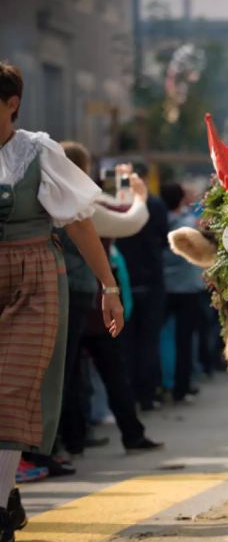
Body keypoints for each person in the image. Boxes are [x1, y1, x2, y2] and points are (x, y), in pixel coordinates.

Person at [0, 61, 125, 542]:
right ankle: (8, 493)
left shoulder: (39, 151)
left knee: (11, 393)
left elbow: (79, 223)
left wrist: (109, 285)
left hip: (35, 278)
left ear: (12, 104)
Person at [56, 143, 163, 456]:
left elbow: (109, 205)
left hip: (76, 296)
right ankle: (127, 433)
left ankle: (74, 439)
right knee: (105, 370)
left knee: (73, 371)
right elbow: (125, 219)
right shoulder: (74, 202)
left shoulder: (54, 194)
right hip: (87, 299)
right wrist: (139, 194)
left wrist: (121, 185)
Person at [115, 167, 169, 410]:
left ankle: (131, 395)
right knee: (148, 341)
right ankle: (147, 395)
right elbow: (164, 237)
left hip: (123, 281)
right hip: (151, 280)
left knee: (126, 343)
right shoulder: (155, 204)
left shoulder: (115, 202)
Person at [160, 182, 204, 403]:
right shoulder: (189, 226)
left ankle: (164, 383)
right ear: (180, 200)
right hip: (187, 289)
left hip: (164, 288)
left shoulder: (158, 222)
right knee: (185, 341)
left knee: (163, 338)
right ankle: (181, 386)